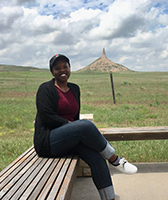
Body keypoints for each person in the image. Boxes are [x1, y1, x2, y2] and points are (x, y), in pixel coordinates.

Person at [34, 54, 137, 200]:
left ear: (70, 68)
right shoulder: (46, 89)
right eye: (57, 68)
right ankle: (115, 160)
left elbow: (75, 116)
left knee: (97, 159)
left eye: (65, 66)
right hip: (49, 141)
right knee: (85, 125)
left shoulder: (74, 89)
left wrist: (75, 128)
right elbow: (46, 116)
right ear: (52, 72)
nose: (62, 70)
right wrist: (72, 126)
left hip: (70, 137)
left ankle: (109, 198)